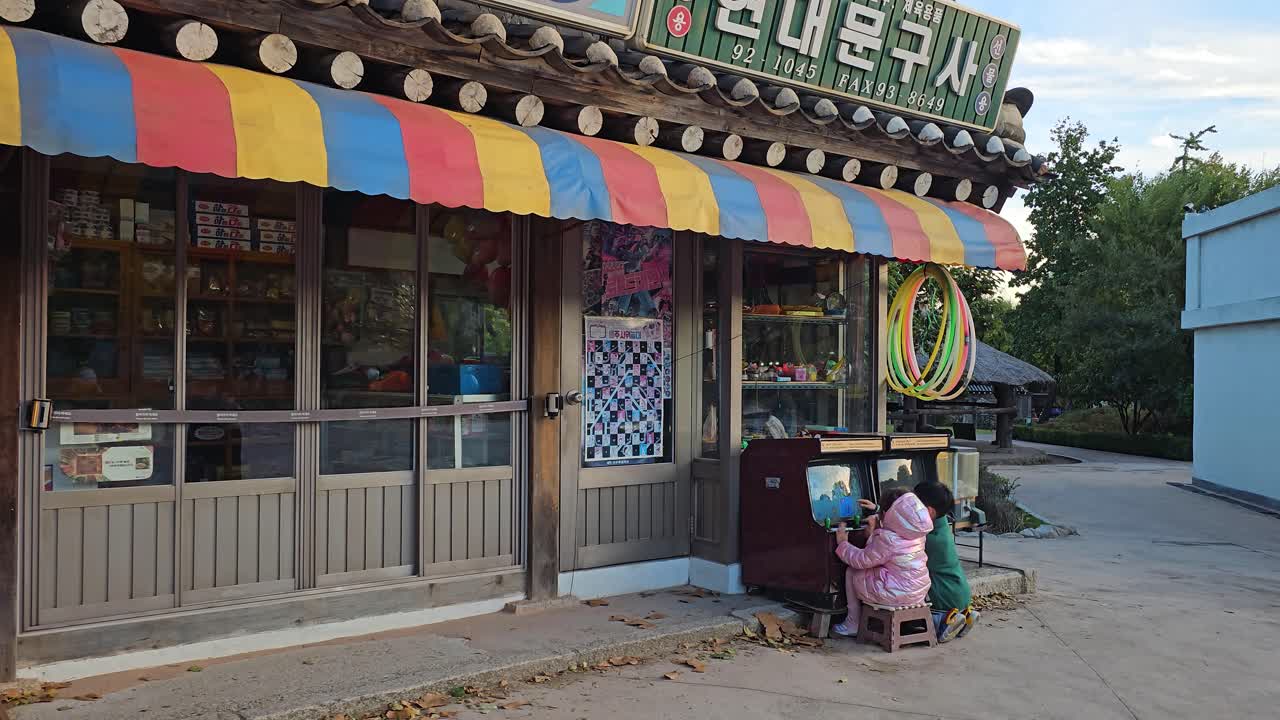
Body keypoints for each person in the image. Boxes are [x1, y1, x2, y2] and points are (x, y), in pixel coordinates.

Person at [831, 489, 933, 637]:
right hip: (917, 593)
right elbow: (887, 557)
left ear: (887, 514)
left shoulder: (888, 539)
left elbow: (862, 560)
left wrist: (843, 544)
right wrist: (874, 532)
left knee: (852, 571)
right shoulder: (917, 534)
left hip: (895, 594)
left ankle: (852, 622)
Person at [914, 480, 980, 643]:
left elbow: (901, 537)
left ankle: (944, 621)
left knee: (914, 611)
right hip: (961, 592)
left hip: (945, 595)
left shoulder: (931, 540)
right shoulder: (942, 525)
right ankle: (966, 614)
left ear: (929, 512)